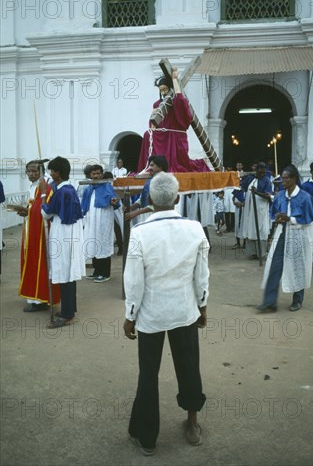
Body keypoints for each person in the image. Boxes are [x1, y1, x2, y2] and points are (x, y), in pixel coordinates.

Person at [123, 172, 209, 456]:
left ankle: (147, 437)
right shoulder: (195, 229)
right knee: (188, 366)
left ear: (148, 200)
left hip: (151, 314)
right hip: (184, 310)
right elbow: (202, 275)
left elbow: (134, 282)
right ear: (177, 198)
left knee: (149, 373)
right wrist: (202, 304)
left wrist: (130, 315)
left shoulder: (139, 233)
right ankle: (193, 424)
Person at [256, 165, 313, 313]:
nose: (282, 181)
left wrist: (290, 218)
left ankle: (297, 300)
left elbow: (309, 219)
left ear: (294, 179)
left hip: (298, 235)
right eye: (282, 178)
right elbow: (274, 213)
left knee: (298, 267)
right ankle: (269, 302)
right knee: (274, 266)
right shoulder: (280, 196)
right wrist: (278, 218)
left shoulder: (305, 197)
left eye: (285, 178)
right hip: (282, 234)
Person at [39, 156, 86, 328]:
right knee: (68, 271)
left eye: (52, 171)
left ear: (58, 172)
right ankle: (70, 309)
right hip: (69, 233)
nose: (50, 174)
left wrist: (43, 195)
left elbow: (46, 213)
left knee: (66, 272)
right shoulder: (69, 189)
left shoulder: (61, 191)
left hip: (63, 234)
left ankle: (67, 314)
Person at [137, 68, 210, 173]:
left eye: (165, 89)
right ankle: (150, 166)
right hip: (162, 134)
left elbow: (181, 105)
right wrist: (152, 126)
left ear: (170, 88)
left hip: (175, 135)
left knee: (181, 165)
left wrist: (175, 79)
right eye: (161, 90)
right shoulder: (157, 104)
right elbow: (152, 123)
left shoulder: (177, 101)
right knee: (147, 134)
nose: (163, 92)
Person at [17, 160, 60, 312]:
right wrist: (26, 210)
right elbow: (33, 207)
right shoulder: (32, 186)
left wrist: (29, 210)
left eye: (35, 171)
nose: (32, 173)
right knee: (30, 260)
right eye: (29, 171)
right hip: (30, 228)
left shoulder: (44, 187)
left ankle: (40, 298)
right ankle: (33, 296)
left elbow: (45, 209)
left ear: (41, 172)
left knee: (39, 261)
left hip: (40, 231)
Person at [81, 164, 119, 282]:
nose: (96, 176)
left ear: (102, 174)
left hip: (103, 220)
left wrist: (113, 201)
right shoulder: (88, 188)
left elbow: (115, 201)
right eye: (94, 174)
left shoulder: (107, 186)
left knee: (103, 243)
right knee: (93, 243)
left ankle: (105, 273)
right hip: (91, 220)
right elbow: (84, 204)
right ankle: (97, 271)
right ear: (90, 175)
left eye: (98, 173)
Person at [241, 162, 272, 260]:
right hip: (249, 209)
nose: (262, 174)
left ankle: (261, 253)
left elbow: (268, 196)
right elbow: (242, 187)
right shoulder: (250, 178)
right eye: (260, 172)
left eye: (264, 173)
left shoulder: (267, 181)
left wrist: (257, 193)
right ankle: (252, 253)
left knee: (261, 230)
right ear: (256, 171)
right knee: (250, 229)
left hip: (261, 210)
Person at [124, 156, 168, 224]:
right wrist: (131, 207)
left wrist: (135, 213)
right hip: (145, 214)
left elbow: (157, 204)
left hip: (156, 216)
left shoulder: (163, 181)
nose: (149, 168)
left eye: (152, 165)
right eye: (149, 165)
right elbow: (143, 197)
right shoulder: (150, 179)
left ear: (160, 167)